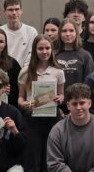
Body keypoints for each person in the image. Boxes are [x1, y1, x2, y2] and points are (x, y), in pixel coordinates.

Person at [17, 35, 65, 171]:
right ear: (34, 50)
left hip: (52, 119)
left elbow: (62, 95)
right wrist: (23, 104)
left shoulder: (58, 72)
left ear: (52, 49)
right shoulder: (25, 71)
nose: (44, 52)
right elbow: (20, 98)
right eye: (40, 48)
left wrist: (60, 98)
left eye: (47, 48)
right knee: (32, 159)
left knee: (49, 159)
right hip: (32, 120)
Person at [46, 83, 94, 171]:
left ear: (89, 103)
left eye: (82, 103)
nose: (78, 107)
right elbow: (55, 164)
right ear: (68, 106)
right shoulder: (57, 131)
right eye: (74, 104)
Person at [54, 19, 94, 89]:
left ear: (76, 33)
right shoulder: (54, 55)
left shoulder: (86, 56)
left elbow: (90, 82)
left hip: (79, 95)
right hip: (58, 95)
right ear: (59, 33)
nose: (68, 34)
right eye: (64, 31)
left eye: (71, 30)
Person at [0, 0, 38, 67]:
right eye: (10, 10)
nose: (14, 13)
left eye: (17, 9)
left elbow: (33, 55)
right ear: (4, 12)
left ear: (21, 11)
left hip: (26, 71)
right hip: (4, 70)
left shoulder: (31, 32)